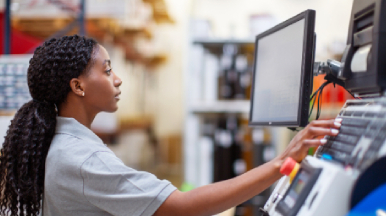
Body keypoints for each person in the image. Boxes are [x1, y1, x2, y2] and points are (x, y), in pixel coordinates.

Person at [0, 35, 341, 216]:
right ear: (78, 86)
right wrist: (285, 162)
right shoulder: (80, 158)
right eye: (106, 70)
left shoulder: (61, 144)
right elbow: (184, 207)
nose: (117, 80)